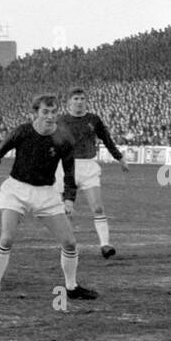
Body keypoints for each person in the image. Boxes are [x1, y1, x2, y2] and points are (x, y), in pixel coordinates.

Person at [0, 94, 97, 305]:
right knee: (7, 238)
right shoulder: (22, 131)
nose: (50, 116)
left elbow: (69, 174)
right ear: (35, 113)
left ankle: (72, 287)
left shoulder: (64, 139)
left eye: (54, 112)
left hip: (46, 194)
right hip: (16, 191)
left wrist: (69, 199)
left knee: (70, 243)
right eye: (45, 112)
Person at [55, 87, 129, 258]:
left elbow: (107, 140)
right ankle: (67, 244)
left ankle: (105, 245)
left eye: (82, 98)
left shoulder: (93, 120)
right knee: (66, 209)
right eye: (76, 99)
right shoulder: (61, 120)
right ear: (69, 102)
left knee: (97, 207)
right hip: (66, 168)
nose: (79, 102)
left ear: (86, 101)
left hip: (88, 167)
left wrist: (120, 158)